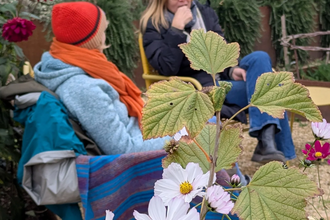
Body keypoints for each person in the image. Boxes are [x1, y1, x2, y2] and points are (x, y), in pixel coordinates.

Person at [140, 0, 296, 163]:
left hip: (223, 82)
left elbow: (220, 51)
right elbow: (167, 67)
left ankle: (267, 141)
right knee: (272, 88)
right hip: (199, 89)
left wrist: (231, 70)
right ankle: (272, 146)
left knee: (260, 58)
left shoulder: (203, 12)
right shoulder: (153, 25)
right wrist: (176, 29)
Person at [33, 1, 168, 156]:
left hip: (144, 136)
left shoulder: (72, 64)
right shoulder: (83, 89)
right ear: (92, 38)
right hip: (138, 161)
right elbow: (124, 150)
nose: (105, 36)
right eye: (103, 30)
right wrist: (179, 137)